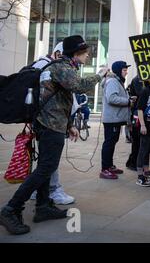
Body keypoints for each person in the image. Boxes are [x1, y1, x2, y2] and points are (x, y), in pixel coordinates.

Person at [0, 35, 108, 235]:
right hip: (50, 126)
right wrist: (100, 74)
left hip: (51, 124)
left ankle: (42, 207)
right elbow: (80, 86)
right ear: (76, 53)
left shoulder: (63, 67)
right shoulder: (61, 67)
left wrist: (69, 125)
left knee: (46, 168)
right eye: (85, 53)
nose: (87, 57)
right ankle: (11, 209)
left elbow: (59, 101)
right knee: (45, 168)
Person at [29, 42, 76, 205]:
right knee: (49, 163)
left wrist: (69, 124)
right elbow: (58, 100)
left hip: (47, 122)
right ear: (58, 54)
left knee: (46, 162)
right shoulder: (50, 66)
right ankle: (52, 190)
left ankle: (41, 198)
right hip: (50, 123)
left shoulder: (44, 65)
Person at [100, 61, 135, 180]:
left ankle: (109, 166)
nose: (126, 72)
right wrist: (128, 101)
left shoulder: (116, 81)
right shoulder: (113, 81)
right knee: (109, 143)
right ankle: (105, 169)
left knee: (112, 142)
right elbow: (112, 98)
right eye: (124, 70)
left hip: (115, 118)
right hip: (112, 119)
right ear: (119, 70)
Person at [135, 80, 150, 187]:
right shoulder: (145, 91)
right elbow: (140, 109)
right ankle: (140, 176)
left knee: (148, 149)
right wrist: (143, 125)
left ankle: (146, 171)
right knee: (143, 149)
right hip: (146, 124)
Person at [126, 76, 144, 171]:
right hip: (137, 113)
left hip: (140, 113)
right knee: (137, 140)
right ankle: (133, 162)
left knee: (140, 141)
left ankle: (134, 162)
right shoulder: (137, 80)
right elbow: (141, 94)